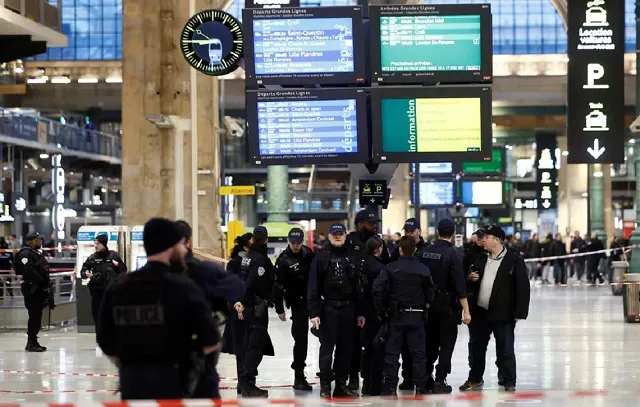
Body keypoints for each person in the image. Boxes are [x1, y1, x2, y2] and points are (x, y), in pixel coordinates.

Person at [96, 218, 221, 400]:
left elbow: (104, 338)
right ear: (171, 247)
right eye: (181, 245)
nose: (185, 250)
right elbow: (212, 340)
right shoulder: (183, 288)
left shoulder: (118, 288)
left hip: (132, 384)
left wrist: (129, 365)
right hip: (172, 383)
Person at [174, 220, 246, 399]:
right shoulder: (202, 271)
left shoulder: (149, 277)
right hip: (199, 363)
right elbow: (237, 287)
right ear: (189, 242)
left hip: (165, 369)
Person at [460, 225, 530, 393]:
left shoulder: (514, 261)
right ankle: (475, 378)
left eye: (488, 237)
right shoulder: (481, 258)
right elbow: (471, 281)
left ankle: (508, 380)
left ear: (498, 240)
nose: (484, 240)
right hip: (480, 312)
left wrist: (519, 313)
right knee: (476, 347)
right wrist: (470, 278)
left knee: (505, 348)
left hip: (503, 313)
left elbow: (523, 288)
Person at [372, 236, 435, 397]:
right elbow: (431, 292)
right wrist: (426, 305)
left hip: (396, 316)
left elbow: (377, 289)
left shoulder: (391, 268)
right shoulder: (423, 269)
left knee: (392, 353)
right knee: (418, 354)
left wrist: (382, 311)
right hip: (417, 316)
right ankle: (420, 387)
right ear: (414, 249)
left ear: (400, 249)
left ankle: (391, 387)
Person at [308, 223, 365, 398]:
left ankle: (341, 384)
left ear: (345, 236)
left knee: (345, 349)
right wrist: (314, 313)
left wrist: (360, 312)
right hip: (328, 309)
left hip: (349, 308)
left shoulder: (352, 256)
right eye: (335, 234)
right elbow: (313, 286)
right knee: (327, 349)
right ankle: (325, 384)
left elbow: (358, 286)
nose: (338, 237)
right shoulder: (320, 257)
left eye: (341, 234)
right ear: (330, 236)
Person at [421, 219, 472, 394]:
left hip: (427, 305)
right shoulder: (453, 255)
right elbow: (459, 286)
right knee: (447, 344)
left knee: (429, 343)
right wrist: (466, 310)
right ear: (452, 233)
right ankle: (440, 380)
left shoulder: (424, 252)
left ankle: (425, 378)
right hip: (446, 307)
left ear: (437, 232)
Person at [346, 209, 389, 390]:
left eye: (375, 223)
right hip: (352, 300)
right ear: (360, 223)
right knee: (353, 342)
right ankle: (353, 376)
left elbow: (386, 264)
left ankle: (372, 378)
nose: (374, 226)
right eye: (371, 223)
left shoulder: (379, 242)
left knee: (375, 341)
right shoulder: (349, 241)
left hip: (374, 302)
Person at [234, 226, 279, 398]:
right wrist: (244, 302)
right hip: (256, 308)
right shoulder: (260, 259)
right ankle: (247, 383)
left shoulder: (247, 257)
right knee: (256, 346)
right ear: (266, 240)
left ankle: (244, 383)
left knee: (249, 344)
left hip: (248, 307)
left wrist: (239, 302)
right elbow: (253, 283)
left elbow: (242, 280)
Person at [274, 227, 315, 391]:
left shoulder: (308, 253)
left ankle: (328, 370)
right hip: (297, 302)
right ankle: (299, 375)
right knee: (301, 338)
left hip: (312, 299)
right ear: (288, 242)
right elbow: (277, 286)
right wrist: (279, 309)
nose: (296, 246)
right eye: (293, 243)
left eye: (298, 243)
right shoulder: (283, 260)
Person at [222, 232, 252, 395]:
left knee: (249, 347)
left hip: (249, 308)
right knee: (241, 346)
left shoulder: (253, 261)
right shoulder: (235, 263)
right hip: (238, 309)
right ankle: (243, 381)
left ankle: (246, 380)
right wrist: (236, 305)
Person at [14, 232, 51, 352]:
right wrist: (41, 281)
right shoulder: (25, 253)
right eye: (39, 240)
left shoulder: (35, 253)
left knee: (37, 316)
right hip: (32, 288)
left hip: (38, 288)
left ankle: (33, 341)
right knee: (34, 316)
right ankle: (31, 343)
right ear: (33, 241)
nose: (40, 242)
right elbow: (28, 270)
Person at [80, 234, 128, 325]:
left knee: (112, 318)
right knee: (97, 317)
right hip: (97, 293)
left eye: (98, 243)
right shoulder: (92, 258)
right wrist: (86, 274)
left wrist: (117, 265)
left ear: (104, 244)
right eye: (95, 243)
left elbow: (124, 270)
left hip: (111, 293)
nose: (95, 245)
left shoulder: (113, 255)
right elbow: (83, 271)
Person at [359, 235, 386, 396]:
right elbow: (379, 292)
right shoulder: (379, 268)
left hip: (362, 312)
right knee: (378, 349)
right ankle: (375, 385)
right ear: (378, 249)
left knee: (367, 348)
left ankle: (365, 382)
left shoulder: (361, 265)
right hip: (376, 313)